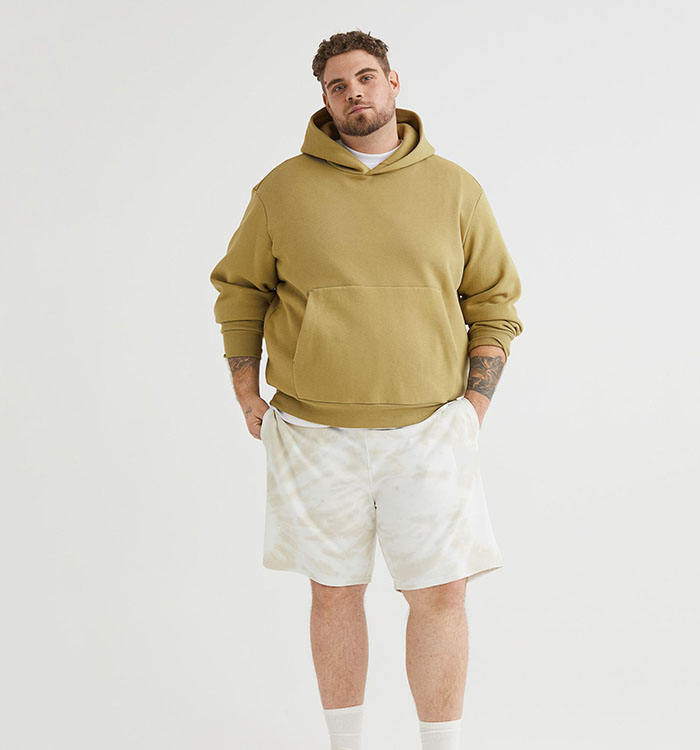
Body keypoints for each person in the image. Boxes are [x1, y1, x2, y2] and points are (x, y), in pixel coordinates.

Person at [209, 29, 523, 750]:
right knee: (333, 594)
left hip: (432, 429)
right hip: (316, 433)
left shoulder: (455, 189)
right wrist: (246, 394)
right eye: (338, 85)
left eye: (365, 77)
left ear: (393, 82)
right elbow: (240, 292)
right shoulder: (283, 190)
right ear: (324, 99)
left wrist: (473, 409)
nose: (354, 93)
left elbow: (495, 301)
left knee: (440, 595)